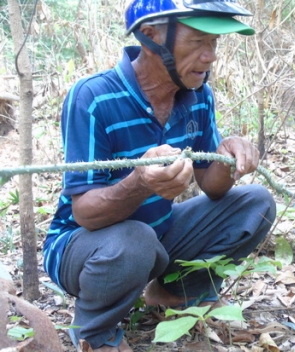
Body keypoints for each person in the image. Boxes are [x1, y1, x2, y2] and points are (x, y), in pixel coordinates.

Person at [43, 0, 276, 351]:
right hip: (81, 247)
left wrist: (229, 160)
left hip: (155, 235)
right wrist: (138, 183)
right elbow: (85, 213)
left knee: (256, 203)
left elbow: (211, 187)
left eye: (214, 43)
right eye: (198, 41)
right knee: (134, 239)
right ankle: (94, 333)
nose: (210, 56)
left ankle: (172, 294)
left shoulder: (198, 96)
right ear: (150, 36)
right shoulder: (93, 98)